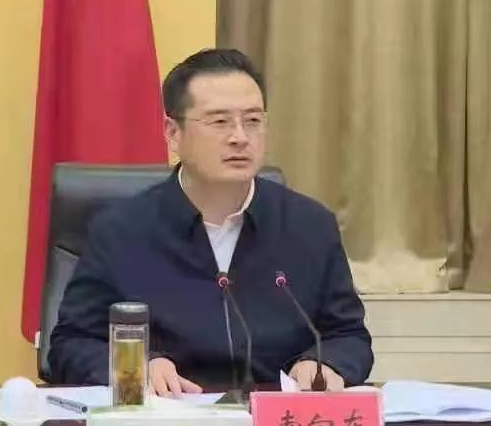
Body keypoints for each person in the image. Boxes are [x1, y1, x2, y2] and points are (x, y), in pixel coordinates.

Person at [48, 48, 373, 396]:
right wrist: (137, 366)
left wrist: (323, 363)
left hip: (272, 416)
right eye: (220, 122)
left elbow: (348, 335)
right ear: (173, 133)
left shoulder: (310, 226)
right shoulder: (120, 231)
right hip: (169, 417)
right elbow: (71, 344)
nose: (240, 137)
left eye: (252, 121)